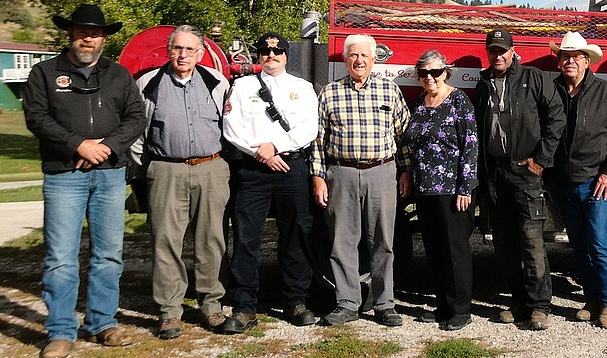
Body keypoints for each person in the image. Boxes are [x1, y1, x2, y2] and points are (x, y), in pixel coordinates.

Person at [23, 4, 147, 358]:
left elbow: (136, 117)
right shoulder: (44, 73)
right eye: (81, 32)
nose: (87, 38)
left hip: (109, 175)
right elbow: (37, 119)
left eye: (94, 33)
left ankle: (102, 324)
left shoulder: (119, 75)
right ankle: (61, 331)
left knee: (108, 254)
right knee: (60, 257)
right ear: (70, 34)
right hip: (65, 175)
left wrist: (106, 147)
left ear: (103, 38)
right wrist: (77, 144)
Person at [132, 25, 231, 339]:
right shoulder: (148, 84)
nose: (183, 55)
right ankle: (169, 312)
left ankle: (211, 305)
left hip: (211, 168)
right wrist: (149, 169)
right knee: (166, 242)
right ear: (168, 50)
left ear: (201, 54)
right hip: (165, 170)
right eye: (178, 49)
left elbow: (231, 127)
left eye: (190, 50)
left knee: (211, 240)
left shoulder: (218, 84)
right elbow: (136, 135)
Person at [220, 31, 319, 333]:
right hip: (253, 169)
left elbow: (310, 127)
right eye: (265, 52)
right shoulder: (242, 86)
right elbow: (230, 128)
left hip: (291, 165)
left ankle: (296, 301)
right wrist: (260, 153)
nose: (271, 57)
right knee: (247, 238)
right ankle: (244, 306)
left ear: (287, 56)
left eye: (277, 53)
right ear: (258, 56)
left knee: (296, 236)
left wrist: (274, 146)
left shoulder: (302, 88)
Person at [312, 33, 411, 327]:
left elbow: (403, 136)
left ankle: (385, 304)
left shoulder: (389, 90)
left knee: (383, 241)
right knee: (342, 242)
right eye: (353, 55)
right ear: (345, 59)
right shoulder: (329, 93)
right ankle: (347, 304)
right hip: (340, 173)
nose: (359, 60)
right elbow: (318, 141)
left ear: (374, 59)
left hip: (382, 172)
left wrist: (405, 171)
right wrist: (318, 177)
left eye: (364, 55)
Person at [473, 28, 565, 331]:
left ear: (513, 51)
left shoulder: (533, 78)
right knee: (504, 244)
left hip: (526, 173)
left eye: (502, 50)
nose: (497, 55)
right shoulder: (483, 83)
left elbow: (557, 117)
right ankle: (517, 303)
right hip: (495, 174)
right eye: (492, 50)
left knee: (532, 242)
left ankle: (539, 307)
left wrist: (541, 160)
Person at [547, 32, 607, 329]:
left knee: (598, 243)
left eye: (576, 56)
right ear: (558, 61)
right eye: (565, 56)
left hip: (596, 182)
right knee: (579, 245)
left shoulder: (606, 92)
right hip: (563, 182)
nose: (570, 61)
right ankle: (592, 299)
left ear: (587, 61)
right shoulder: (551, 91)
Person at [403, 50, 478, 331]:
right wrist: (408, 174)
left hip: (452, 189)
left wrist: (465, 188)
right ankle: (443, 305)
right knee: (434, 249)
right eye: (424, 73)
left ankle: (461, 309)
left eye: (435, 72)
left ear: (446, 72)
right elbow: (410, 143)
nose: (429, 78)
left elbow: (470, 144)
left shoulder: (459, 101)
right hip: (424, 189)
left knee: (455, 250)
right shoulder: (419, 103)